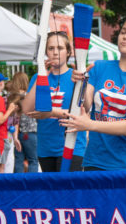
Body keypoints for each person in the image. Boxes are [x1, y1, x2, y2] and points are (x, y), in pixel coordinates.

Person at [63, 15, 126, 171]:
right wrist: (81, 83)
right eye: (123, 31)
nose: (125, 36)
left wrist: (89, 124)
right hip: (95, 162)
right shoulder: (100, 67)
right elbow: (87, 106)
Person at [21, 31, 88, 172]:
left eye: (60, 48)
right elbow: (26, 109)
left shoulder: (76, 76)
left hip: (72, 145)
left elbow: (85, 110)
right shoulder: (38, 77)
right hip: (46, 148)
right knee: (53, 192)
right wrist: (42, 77)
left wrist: (83, 82)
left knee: (68, 191)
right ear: (46, 52)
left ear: (68, 52)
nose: (55, 53)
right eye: (51, 49)